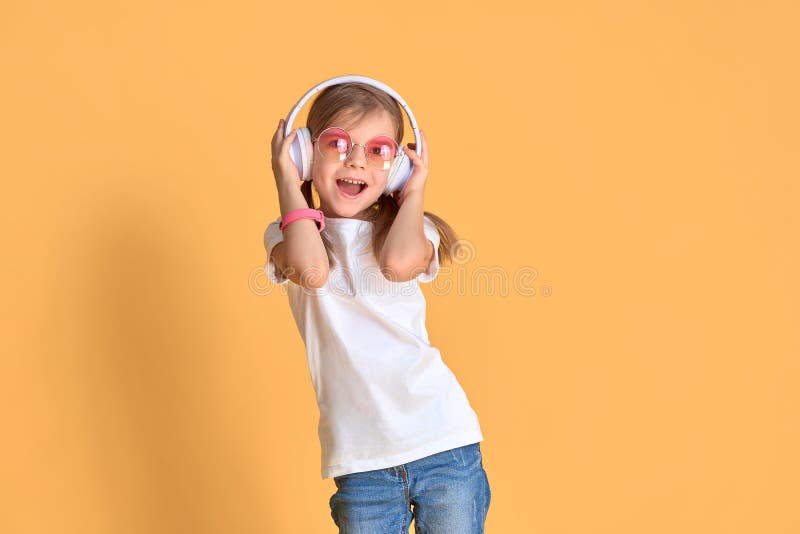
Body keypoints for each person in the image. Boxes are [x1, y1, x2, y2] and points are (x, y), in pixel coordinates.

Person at [263, 81, 491, 533]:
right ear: (306, 154)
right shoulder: (286, 237)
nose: (357, 160)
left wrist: (415, 191)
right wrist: (287, 180)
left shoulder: (412, 229)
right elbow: (312, 272)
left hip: (443, 443)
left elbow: (398, 263)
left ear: (400, 167)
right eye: (337, 144)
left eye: (379, 150)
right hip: (362, 461)